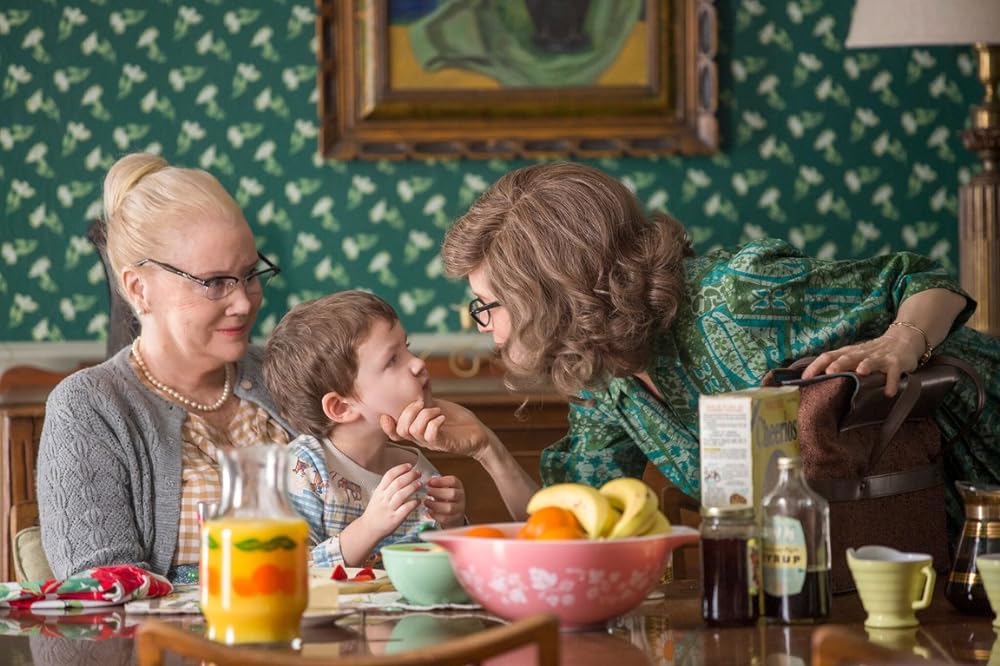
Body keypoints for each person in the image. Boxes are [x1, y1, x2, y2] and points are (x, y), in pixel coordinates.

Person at [387, 161, 999, 534]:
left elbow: (921, 281)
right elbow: (569, 526)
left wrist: (899, 341)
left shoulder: (735, 299)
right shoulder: (607, 379)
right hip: (914, 547)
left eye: (487, 304)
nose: (482, 325)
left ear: (551, 290)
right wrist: (487, 450)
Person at [36, 152, 292, 582]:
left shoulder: (284, 373)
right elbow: (104, 598)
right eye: (214, 282)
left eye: (250, 274)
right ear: (138, 289)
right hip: (163, 649)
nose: (245, 301)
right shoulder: (89, 407)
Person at [263, 291, 467, 567]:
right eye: (392, 360)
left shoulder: (417, 471)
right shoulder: (302, 467)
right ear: (341, 408)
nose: (418, 363)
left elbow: (446, 567)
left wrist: (453, 522)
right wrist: (370, 527)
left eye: (406, 347)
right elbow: (288, 569)